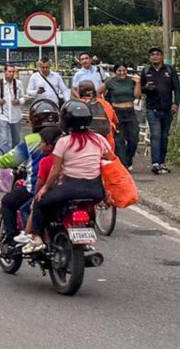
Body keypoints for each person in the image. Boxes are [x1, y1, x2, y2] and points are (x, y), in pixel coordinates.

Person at [16, 100, 113, 252]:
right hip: (95, 190)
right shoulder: (99, 139)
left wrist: (45, 189)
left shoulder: (63, 142)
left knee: (40, 203)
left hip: (70, 189)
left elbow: (55, 171)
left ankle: (36, 238)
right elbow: (111, 161)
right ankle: (89, 228)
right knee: (88, 208)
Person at [0, 105, 62, 253]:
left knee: (8, 202)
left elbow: (12, 159)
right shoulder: (64, 138)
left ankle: (11, 241)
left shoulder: (31, 141)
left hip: (35, 188)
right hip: (63, 188)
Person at [139, 47, 180, 174]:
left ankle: (162, 162)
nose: (155, 57)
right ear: (150, 57)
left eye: (157, 54)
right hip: (152, 108)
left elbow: (177, 88)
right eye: (152, 55)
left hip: (167, 108)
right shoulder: (146, 71)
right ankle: (155, 163)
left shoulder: (169, 70)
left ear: (162, 57)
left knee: (164, 136)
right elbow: (141, 89)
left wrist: (176, 103)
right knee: (155, 135)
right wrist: (146, 87)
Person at [104, 63, 140, 168]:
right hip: (117, 112)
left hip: (130, 111)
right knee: (119, 140)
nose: (122, 73)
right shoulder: (111, 81)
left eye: (124, 70)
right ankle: (123, 165)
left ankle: (128, 160)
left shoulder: (131, 81)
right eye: (119, 71)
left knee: (133, 139)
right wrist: (107, 106)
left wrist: (138, 83)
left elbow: (137, 95)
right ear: (115, 72)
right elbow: (98, 92)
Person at [0, 64, 28, 150]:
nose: (11, 74)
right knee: (4, 138)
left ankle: (14, 156)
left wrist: (19, 101)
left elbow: (24, 97)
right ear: (5, 72)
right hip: (3, 115)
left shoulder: (18, 83)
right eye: (9, 72)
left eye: (13, 72)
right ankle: (5, 157)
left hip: (16, 115)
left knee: (16, 139)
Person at [75, 80, 117, 150]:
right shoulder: (105, 103)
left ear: (79, 92)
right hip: (106, 145)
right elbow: (115, 121)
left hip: (80, 145)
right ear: (94, 91)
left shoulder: (74, 104)